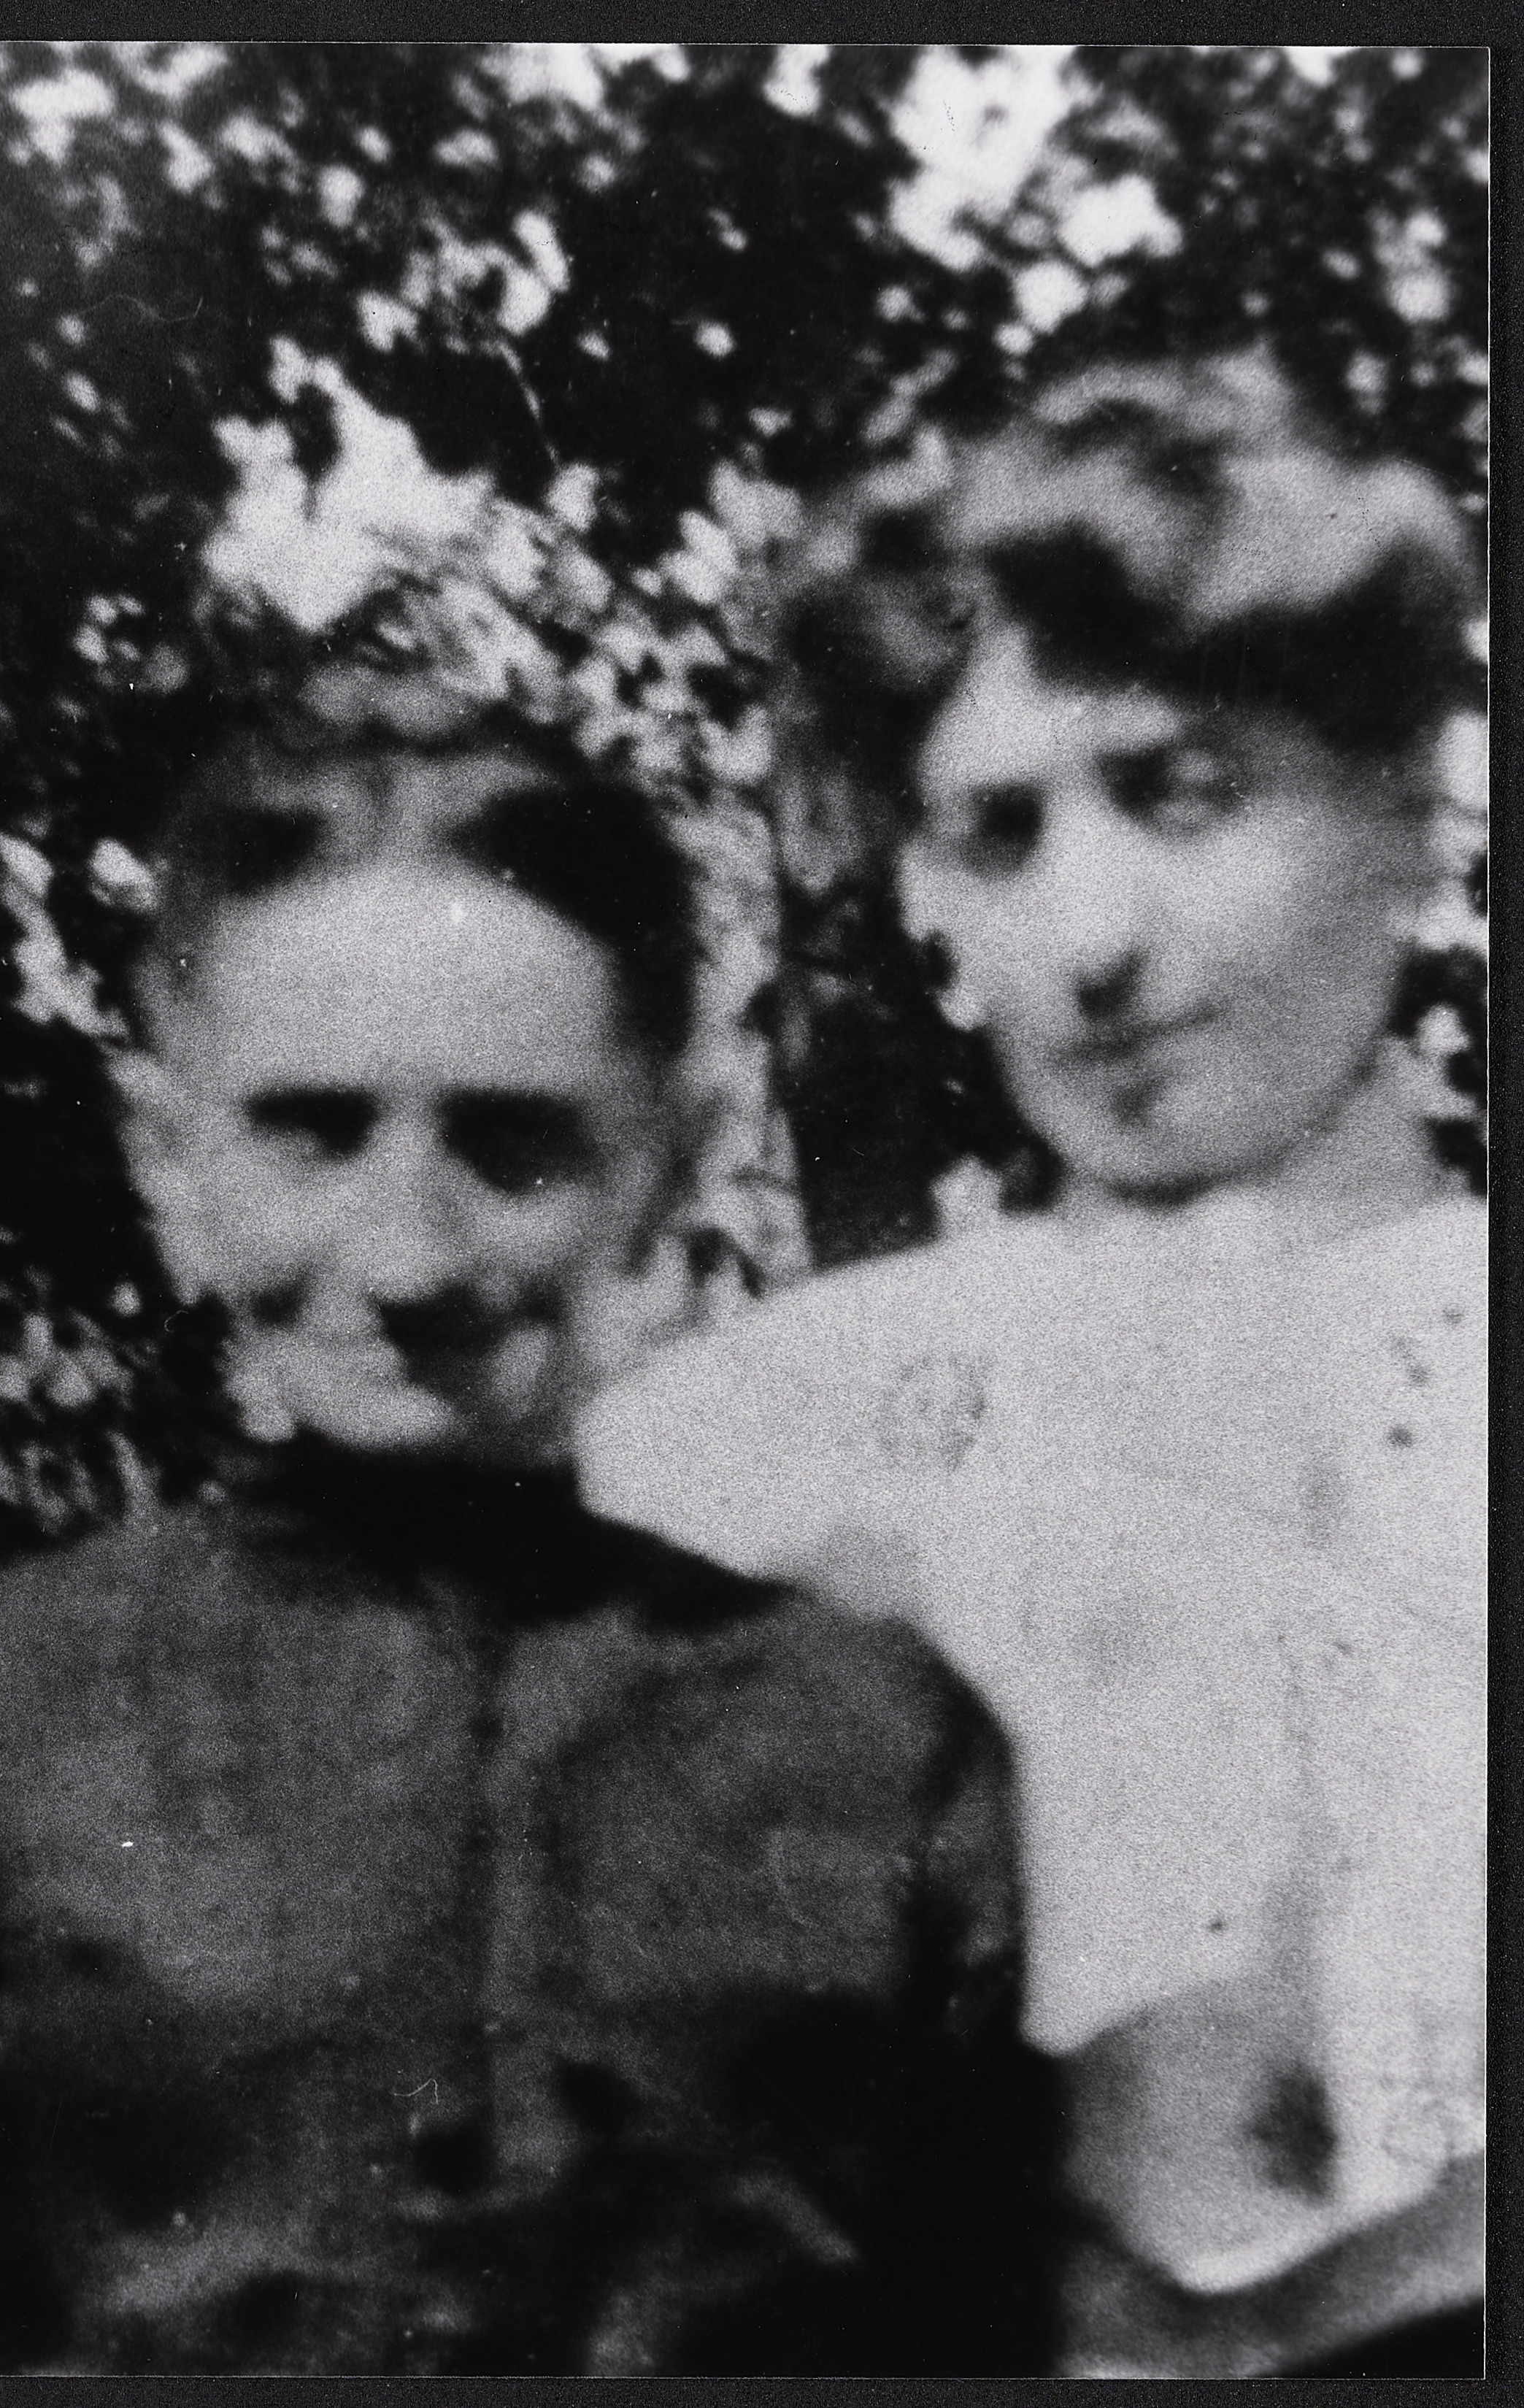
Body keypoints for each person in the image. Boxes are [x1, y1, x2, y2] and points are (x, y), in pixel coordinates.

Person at [0, 652, 1059, 2374]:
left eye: (513, 1145)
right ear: (165, 1156)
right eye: (310, 1135)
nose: (405, 1255)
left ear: (671, 1157)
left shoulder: (882, 1754)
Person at [579, 355, 1485, 2377]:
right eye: (998, 831)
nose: (1090, 938)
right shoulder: (755, 1451)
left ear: (1408, 820)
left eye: (1182, 790)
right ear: (919, 887)